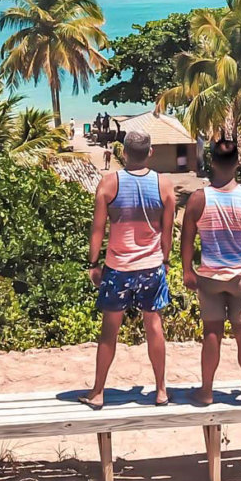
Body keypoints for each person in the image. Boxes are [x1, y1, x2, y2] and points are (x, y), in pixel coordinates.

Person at [83, 130, 176, 408]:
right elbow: (168, 232)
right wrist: (166, 260)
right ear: (150, 153)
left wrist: (93, 264)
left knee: (109, 330)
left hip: (117, 267)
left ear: (123, 152)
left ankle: (98, 393)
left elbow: (97, 230)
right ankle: (161, 390)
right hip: (151, 266)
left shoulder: (109, 184)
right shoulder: (164, 185)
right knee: (154, 326)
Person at [181, 137, 241, 405]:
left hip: (209, 277)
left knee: (212, 332)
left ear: (211, 163)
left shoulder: (198, 199)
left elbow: (186, 239)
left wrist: (187, 270)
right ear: (237, 164)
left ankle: (206, 391)